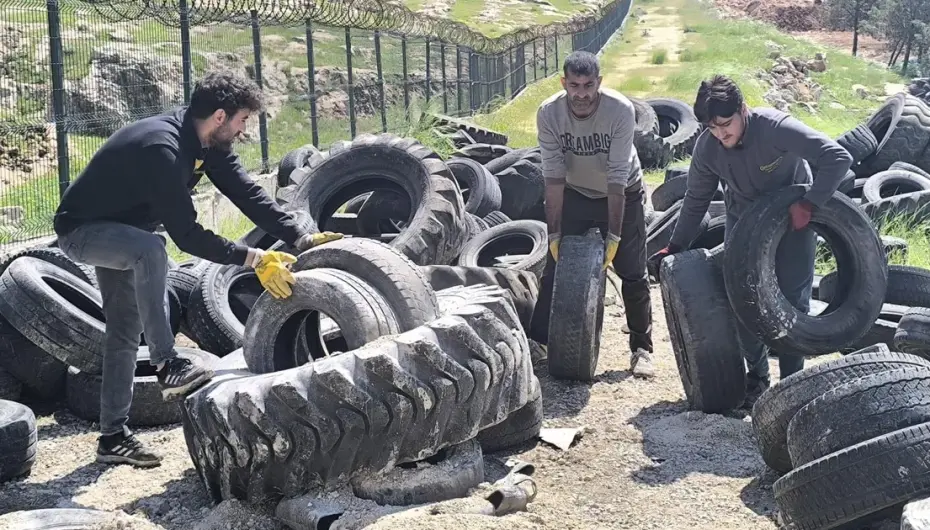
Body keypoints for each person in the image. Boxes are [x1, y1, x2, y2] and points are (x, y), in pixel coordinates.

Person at [53, 71, 341, 468]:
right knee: (152, 249)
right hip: (82, 232)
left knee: (123, 331)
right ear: (220, 116)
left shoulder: (207, 143)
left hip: (125, 232)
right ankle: (168, 363)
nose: (244, 130)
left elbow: (247, 192)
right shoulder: (163, 148)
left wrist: (300, 235)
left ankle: (112, 438)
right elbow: (186, 235)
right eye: (243, 120)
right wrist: (253, 259)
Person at [647, 74, 853, 407]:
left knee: (791, 305)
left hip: (793, 223)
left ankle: (793, 386)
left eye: (725, 125)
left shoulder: (775, 128)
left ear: (743, 109)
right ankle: (757, 377)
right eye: (712, 128)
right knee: (743, 301)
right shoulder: (708, 147)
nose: (720, 134)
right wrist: (675, 245)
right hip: (743, 225)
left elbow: (837, 157)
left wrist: (811, 202)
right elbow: (696, 199)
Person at [530, 50, 655, 379]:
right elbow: (553, 177)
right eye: (575, 85)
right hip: (576, 192)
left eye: (588, 85)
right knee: (554, 267)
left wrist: (614, 235)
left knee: (632, 272)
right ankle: (539, 341)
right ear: (564, 83)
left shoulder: (619, 110)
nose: (582, 93)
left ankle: (642, 348)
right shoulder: (549, 113)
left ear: (599, 83)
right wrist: (554, 233)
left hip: (622, 192)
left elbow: (616, 176)